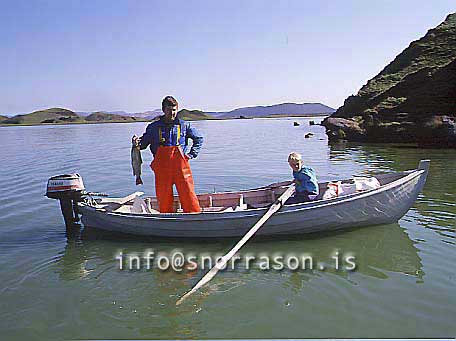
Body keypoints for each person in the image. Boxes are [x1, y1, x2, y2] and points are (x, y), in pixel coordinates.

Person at [132, 96, 203, 213]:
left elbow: (199, 138)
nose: (172, 113)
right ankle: (166, 218)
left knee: (188, 194)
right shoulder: (153, 127)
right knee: (164, 198)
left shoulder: (184, 125)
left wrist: (191, 154)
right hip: (162, 169)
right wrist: (136, 143)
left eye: (174, 110)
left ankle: (194, 216)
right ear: (163, 110)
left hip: (181, 169)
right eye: (169, 110)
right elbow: (143, 145)